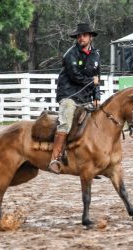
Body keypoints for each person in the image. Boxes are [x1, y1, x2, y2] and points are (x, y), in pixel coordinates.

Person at [48, 23, 101, 174]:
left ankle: (91, 159)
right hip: (68, 95)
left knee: (96, 123)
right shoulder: (70, 54)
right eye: (79, 36)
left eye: (84, 35)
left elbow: (97, 77)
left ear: (90, 37)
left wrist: (96, 96)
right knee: (65, 124)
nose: (81, 38)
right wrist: (92, 82)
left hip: (85, 97)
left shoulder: (96, 55)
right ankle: (55, 158)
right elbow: (75, 76)